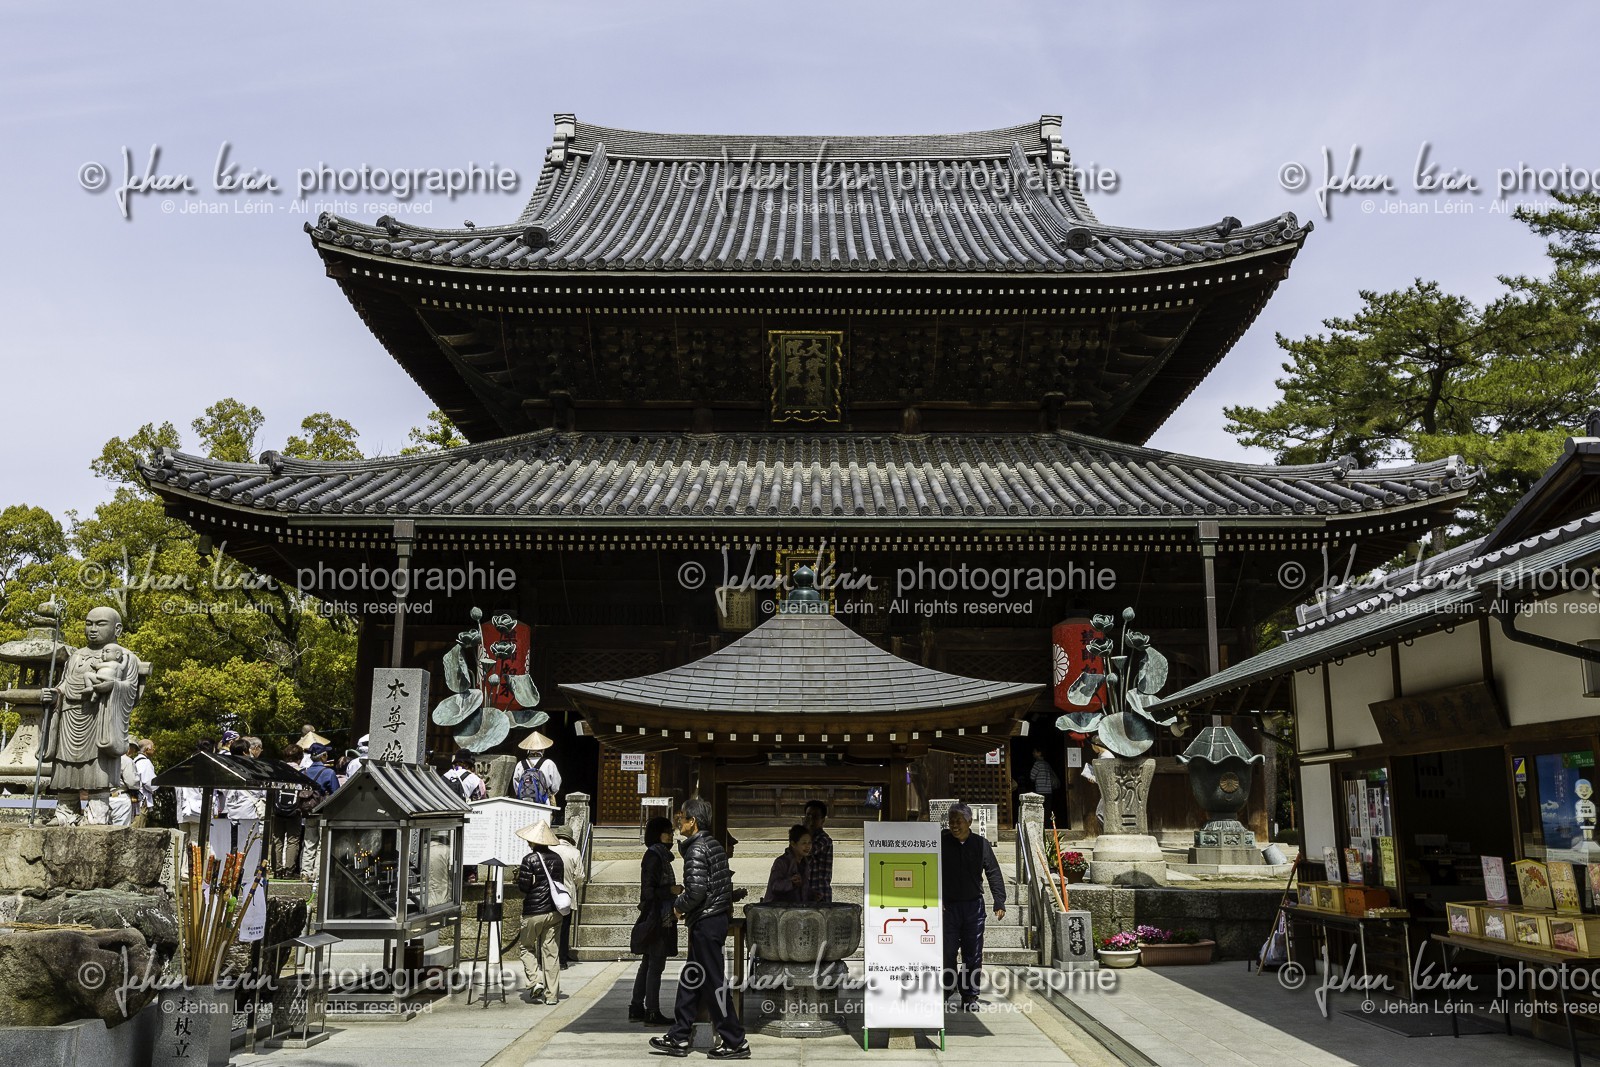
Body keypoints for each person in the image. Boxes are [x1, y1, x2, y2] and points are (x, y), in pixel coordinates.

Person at [650, 797, 748, 1060]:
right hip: (712, 919)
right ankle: (679, 1035)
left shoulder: (696, 849)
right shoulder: (713, 845)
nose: (678, 822)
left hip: (705, 920)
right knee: (691, 978)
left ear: (692, 822)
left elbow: (696, 890)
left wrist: (678, 906)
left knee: (714, 981)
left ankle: (734, 1040)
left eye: (681, 817)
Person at [39, 606, 145, 824]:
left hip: (102, 718)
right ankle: (65, 811)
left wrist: (112, 686)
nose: (93, 629)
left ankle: (97, 813)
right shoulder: (76, 655)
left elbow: (131, 691)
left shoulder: (125, 657)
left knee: (98, 769)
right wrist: (54, 694)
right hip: (70, 716)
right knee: (65, 765)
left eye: (100, 624)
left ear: (117, 629)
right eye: (89, 623)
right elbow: (65, 684)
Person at [940, 802, 1006, 1011]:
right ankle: (947, 988)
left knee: (973, 953)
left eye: (958, 821)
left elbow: (993, 872)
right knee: (947, 951)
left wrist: (999, 900)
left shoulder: (980, 844)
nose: (954, 825)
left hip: (973, 907)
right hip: (947, 906)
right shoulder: (941, 841)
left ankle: (969, 995)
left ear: (969, 822)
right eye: (951, 821)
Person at [629, 816, 679, 1025]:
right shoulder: (654, 857)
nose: (672, 835)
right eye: (668, 832)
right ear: (658, 834)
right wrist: (671, 890)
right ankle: (652, 1010)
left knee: (648, 963)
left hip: (657, 914)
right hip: (657, 916)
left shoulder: (660, 856)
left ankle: (636, 1006)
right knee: (655, 964)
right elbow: (648, 892)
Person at [513, 820, 565, 1005]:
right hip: (554, 911)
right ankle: (552, 996)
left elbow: (524, 888)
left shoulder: (529, 859)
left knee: (526, 947)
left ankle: (535, 982)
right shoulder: (558, 859)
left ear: (533, 841)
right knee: (551, 953)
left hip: (534, 912)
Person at [298, 744, 339, 881]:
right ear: (322, 756)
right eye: (326, 754)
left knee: (309, 843)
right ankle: (317, 874)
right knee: (322, 844)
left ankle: (305, 872)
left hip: (308, 811)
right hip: (323, 811)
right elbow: (335, 792)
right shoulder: (329, 773)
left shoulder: (304, 772)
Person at [271, 742, 308, 877]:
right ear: (300, 757)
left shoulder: (278, 770)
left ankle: (277, 870)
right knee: (293, 840)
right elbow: (306, 792)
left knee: (277, 839)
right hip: (295, 810)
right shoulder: (302, 772)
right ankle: (289, 870)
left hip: (278, 809)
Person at [551, 824, 584, 968]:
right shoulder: (575, 852)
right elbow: (579, 876)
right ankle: (562, 960)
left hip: (550, 896)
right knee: (564, 930)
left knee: (549, 929)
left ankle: (545, 959)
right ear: (569, 839)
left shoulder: (549, 850)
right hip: (567, 896)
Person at [762, 824, 813, 904]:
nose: (808, 846)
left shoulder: (805, 863)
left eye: (809, 843)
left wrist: (811, 894)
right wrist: (791, 882)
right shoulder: (781, 862)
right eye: (804, 843)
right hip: (777, 909)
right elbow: (775, 886)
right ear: (793, 844)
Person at [512, 731, 561, 804]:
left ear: (528, 750)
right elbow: (555, 786)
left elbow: (516, 786)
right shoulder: (549, 763)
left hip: (523, 802)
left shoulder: (520, 764)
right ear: (543, 750)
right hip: (544, 802)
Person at [803, 799, 834, 902]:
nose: (811, 819)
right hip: (804, 893)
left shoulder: (824, 839)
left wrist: (805, 829)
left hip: (820, 893)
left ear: (822, 820)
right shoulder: (803, 837)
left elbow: (807, 850)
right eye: (808, 816)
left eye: (815, 817)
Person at [1028, 747, 1064, 826]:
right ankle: (1047, 826)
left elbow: (1032, 777)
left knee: (1039, 810)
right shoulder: (1047, 764)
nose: (1033, 753)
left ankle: (1041, 826)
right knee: (1047, 810)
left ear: (1039, 753)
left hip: (1040, 791)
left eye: (1034, 751)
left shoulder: (1037, 764)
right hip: (1049, 791)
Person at [108, 743, 138, 826]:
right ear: (128, 748)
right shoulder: (126, 760)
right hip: (120, 798)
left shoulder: (102, 758)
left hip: (101, 798)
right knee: (121, 832)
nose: (133, 751)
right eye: (133, 748)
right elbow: (132, 782)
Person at [131, 739, 157, 828]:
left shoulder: (135, 760)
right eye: (153, 747)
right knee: (139, 826)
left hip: (134, 798)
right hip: (141, 798)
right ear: (147, 749)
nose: (154, 750)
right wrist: (157, 786)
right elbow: (149, 783)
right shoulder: (145, 762)